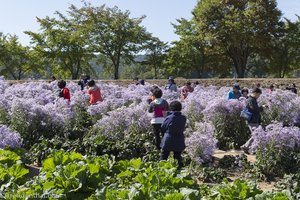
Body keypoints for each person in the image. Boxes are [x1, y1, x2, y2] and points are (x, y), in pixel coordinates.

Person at [160, 101, 186, 169]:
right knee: (177, 157)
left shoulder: (169, 117)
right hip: (179, 139)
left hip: (168, 139)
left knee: (164, 156)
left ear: (171, 109)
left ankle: (160, 170)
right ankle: (179, 171)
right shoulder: (183, 118)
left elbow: (163, 126)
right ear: (180, 108)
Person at [241, 88, 265, 153]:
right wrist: (262, 107)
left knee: (256, 134)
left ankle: (247, 147)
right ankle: (249, 148)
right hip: (252, 120)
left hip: (254, 120)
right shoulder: (251, 100)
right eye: (258, 95)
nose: (259, 96)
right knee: (257, 134)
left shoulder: (253, 99)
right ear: (255, 93)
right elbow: (254, 109)